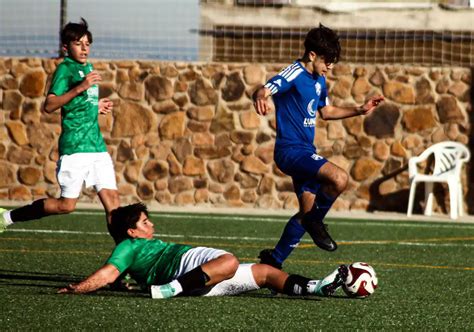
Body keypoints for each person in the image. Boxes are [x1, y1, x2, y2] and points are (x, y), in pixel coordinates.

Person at [252, 24, 384, 269]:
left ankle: (274, 261)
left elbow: (326, 111)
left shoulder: (319, 79)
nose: (330, 66)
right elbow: (264, 89)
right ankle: (315, 222)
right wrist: (260, 97)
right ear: (312, 55)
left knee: (306, 212)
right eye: (328, 60)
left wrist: (359, 109)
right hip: (290, 151)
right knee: (339, 178)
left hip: (305, 152)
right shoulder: (293, 72)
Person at [58, 203, 349, 299]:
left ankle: (316, 287)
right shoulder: (128, 245)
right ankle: (170, 290)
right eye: (145, 222)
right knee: (230, 260)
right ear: (132, 231)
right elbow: (109, 274)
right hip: (182, 267)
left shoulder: (136, 241)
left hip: (200, 282)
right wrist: (77, 288)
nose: (151, 225)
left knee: (266, 273)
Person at [0, 18, 119, 239]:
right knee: (66, 205)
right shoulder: (65, 69)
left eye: (87, 43)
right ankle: (7, 218)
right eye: (78, 43)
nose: (84, 48)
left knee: (114, 204)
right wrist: (81, 87)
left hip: (97, 148)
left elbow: (80, 103)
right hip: (75, 148)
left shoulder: (88, 67)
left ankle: (123, 264)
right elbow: (50, 105)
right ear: (66, 47)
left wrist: (96, 105)